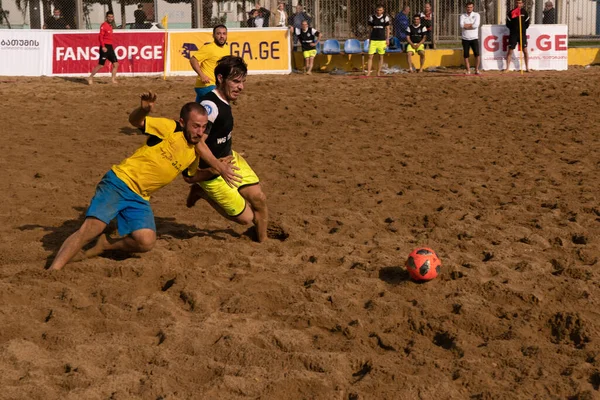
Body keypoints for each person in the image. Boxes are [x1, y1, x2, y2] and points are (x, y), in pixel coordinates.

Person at [48, 93, 240, 271]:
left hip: (140, 197)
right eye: (195, 126)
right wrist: (144, 110)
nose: (200, 132)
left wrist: (213, 171)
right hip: (120, 182)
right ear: (183, 122)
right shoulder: (170, 128)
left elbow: (190, 177)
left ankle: (104, 245)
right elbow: (135, 121)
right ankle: (53, 271)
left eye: (204, 127)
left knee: (146, 241)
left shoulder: (194, 152)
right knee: (92, 228)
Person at [185, 56, 269, 243]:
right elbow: (198, 143)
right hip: (211, 171)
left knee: (259, 199)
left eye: (243, 82)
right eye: (236, 81)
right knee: (246, 218)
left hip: (229, 158)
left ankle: (263, 242)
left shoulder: (223, 100)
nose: (241, 87)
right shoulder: (210, 107)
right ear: (221, 79)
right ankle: (201, 191)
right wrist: (218, 167)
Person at [190, 25, 229, 102]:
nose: (221, 36)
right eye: (218, 34)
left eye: (224, 33)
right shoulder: (208, 48)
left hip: (215, 85)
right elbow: (193, 59)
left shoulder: (226, 48)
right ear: (213, 35)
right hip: (207, 85)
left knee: (200, 111)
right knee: (220, 105)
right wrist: (202, 75)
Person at [88, 11, 119, 85]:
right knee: (101, 65)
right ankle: (90, 77)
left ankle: (113, 79)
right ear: (106, 17)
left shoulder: (110, 26)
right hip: (105, 47)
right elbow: (100, 37)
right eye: (109, 17)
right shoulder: (104, 25)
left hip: (110, 47)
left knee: (116, 64)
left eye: (112, 17)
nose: (110, 18)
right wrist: (103, 46)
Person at [504, 0, 530, 73]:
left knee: (525, 51)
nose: (518, 4)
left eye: (520, 3)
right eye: (517, 3)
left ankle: (527, 68)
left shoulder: (525, 12)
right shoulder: (511, 12)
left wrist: (522, 29)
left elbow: (527, 23)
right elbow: (508, 24)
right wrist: (514, 29)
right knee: (510, 51)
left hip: (522, 34)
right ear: (515, 3)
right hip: (513, 35)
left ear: (522, 4)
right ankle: (507, 68)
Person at [366, 4, 391, 77]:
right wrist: (369, 38)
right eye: (378, 10)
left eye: (380, 10)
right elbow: (369, 29)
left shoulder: (385, 17)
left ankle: (378, 72)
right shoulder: (372, 17)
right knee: (370, 56)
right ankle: (368, 72)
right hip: (373, 40)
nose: (379, 11)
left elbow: (387, 29)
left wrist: (387, 39)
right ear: (376, 10)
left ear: (383, 10)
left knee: (381, 56)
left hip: (382, 40)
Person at [460, 1, 481, 75]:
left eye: (471, 7)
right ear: (466, 8)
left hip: (474, 38)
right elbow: (462, 25)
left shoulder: (476, 15)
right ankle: (468, 70)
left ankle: (477, 69)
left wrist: (467, 26)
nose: (469, 9)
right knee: (466, 55)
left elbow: (476, 25)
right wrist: (471, 25)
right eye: (468, 7)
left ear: (473, 7)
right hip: (465, 38)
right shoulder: (462, 16)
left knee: (477, 54)